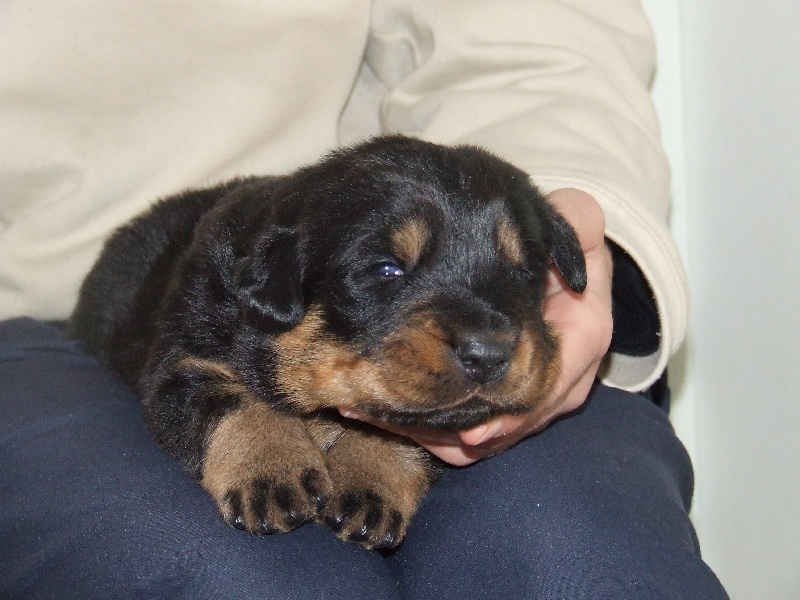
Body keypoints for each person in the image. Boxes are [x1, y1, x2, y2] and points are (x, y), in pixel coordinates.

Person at [0, 1, 728, 598]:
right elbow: (187, 369)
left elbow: (540, 49)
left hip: (408, 189)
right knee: (236, 578)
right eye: (387, 273)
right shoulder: (222, 292)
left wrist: (587, 243)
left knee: (582, 557)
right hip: (37, 322)